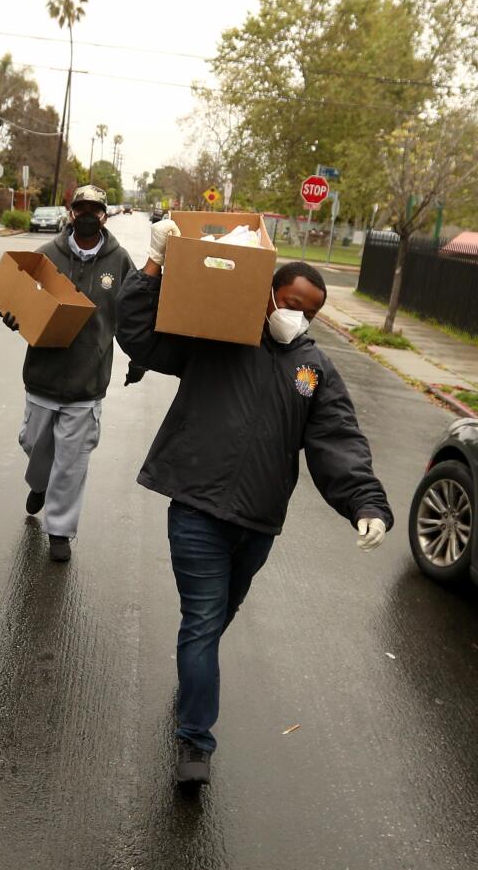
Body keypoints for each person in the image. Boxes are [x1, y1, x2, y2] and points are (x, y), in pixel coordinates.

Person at [117, 229, 392, 786]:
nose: (299, 317)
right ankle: (195, 741)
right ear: (267, 294)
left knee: (216, 620)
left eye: (310, 312)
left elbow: (338, 440)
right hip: (197, 506)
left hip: (258, 523)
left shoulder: (314, 371)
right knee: (200, 621)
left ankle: (193, 686)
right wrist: (153, 267)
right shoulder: (217, 335)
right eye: (291, 305)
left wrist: (366, 502)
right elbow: (139, 337)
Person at [0, 184, 133, 562]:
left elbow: (132, 314)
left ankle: (59, 530)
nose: (87, 214)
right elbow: (20, 300)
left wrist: (139, 357)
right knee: (34, 444)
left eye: (95, 209)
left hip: (87, 382)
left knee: (72, 461)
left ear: (104, 214)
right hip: (42, 373)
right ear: (70, 212)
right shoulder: (46, 255)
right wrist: (15, 317)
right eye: (81, 208)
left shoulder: (119, 261)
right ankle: (39, 483)